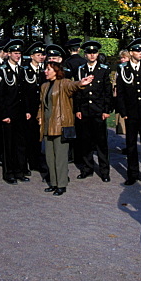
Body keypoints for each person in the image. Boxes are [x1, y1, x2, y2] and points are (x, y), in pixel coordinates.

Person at [39, 62, 93, 195]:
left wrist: (81, 82)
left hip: (60, 125)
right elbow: (41, 105)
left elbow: (72, 86)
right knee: (49, 157)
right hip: (47, 125)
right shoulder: (44, 86)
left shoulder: (63, 83)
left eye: (48, 69)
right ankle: (53, 182)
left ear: (56, 71)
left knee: (61, 157)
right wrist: (39, 117)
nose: (45, 71)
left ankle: (61, 184)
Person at [114, 39, 141, 187]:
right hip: (130, 113)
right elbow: (120, 92)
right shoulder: (123, 68)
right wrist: (123, 112)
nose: (140, 53)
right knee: (131, 144)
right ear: (131, 52)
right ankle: (132, 174)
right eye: (137, 51)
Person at [74, 40, 112, 182]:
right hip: (84, 111)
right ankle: (87, 169)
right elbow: (78, 90)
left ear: (97, 54)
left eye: (94, 52)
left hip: (98, 111)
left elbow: (107, 91)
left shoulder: (104, 69)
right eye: (89, 53)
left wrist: (106, 109)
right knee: (85, 142)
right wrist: (77, 108)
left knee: (101, 143)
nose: (92, 55)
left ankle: (104, 171)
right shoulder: (81, 69)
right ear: (85, 54)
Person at [0, 39, 29, 184]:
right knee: (8, 145)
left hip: (20, 113)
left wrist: (27, 110)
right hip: (8, 113)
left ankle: (20, 171)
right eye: (15, 53)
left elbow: (24, 93)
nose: (18, 56)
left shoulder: (22, 70)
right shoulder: (1, 71)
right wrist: (4, 114)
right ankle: (9, 172)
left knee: (20, 144)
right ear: (8, 54)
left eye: (19, 53)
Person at [23, 41, 49, 179]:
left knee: (39, 136)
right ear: (32, 56)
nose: (41, 57)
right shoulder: (25, 70)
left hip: (42, 108)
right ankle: (28, 161)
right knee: (29, 135)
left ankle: (37, 161)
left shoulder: (44, 70)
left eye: (42, 55)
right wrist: (26, 109)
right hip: (30, 108)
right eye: (38, 55)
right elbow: (24, 92)